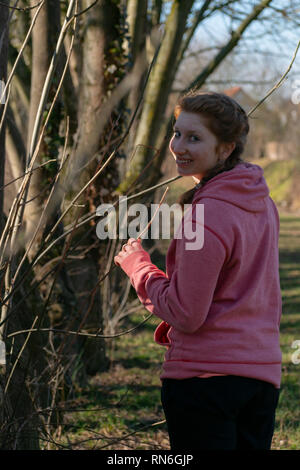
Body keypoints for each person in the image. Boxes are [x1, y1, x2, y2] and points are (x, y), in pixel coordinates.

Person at [114, 91, 282, 451]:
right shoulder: (263, 203)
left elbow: (185, 313)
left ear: (225, 149)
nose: (178, 146)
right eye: (177, 134)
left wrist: (138, 267)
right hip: (261, 378)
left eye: (194, 137)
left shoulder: (203, 217)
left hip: (205, 384)